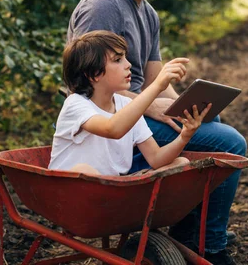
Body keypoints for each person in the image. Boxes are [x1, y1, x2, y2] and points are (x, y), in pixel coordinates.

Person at [67, 0, 247, 265]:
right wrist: (153, 107)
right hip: (110, 135)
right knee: (230, 143)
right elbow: (88, 92)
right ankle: (207, 243)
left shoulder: (148, 14)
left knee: (212, 116)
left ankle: (192, 227)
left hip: (134, 119)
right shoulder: (103, 7)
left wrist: (184, 104)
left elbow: (152, 85)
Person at [48, 30, 211, 176]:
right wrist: (157, 85)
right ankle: (125, 203)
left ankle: (129, 204)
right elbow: (112, 129)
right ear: (94, 74)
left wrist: (185, 136)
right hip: (67, 190)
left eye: (125, 57)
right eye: (118, 60)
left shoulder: (126, 104)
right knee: (84, 171)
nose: (128, 65)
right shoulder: (76, 104)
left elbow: (156, 158)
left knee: (181, 163)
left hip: (111, 188)